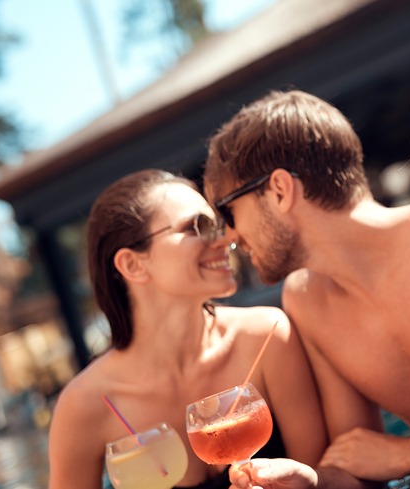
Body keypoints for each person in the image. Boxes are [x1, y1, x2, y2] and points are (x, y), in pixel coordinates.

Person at [201, 90, 410, 489]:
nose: (230, 238)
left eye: (227, 211)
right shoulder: (306, 297)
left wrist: (406, 454)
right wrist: (305, 480)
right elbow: (357, 461)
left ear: (279, 190)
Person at [47, 169, 326, 489]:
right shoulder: (83, 406)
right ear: (133, 265)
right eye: (197, 227)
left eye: (217, 225)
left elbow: (322, 473)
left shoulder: (266, 336)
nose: (227, 238)